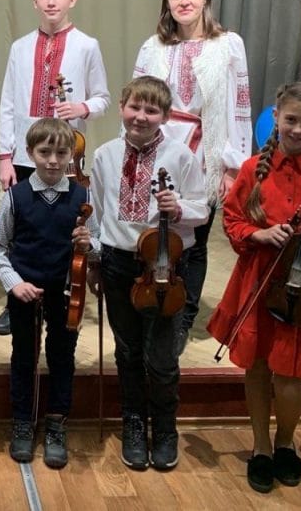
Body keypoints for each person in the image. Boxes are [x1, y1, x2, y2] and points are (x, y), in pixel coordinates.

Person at [206, 81, 301, 494]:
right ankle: (260, 447)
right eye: (290, 119)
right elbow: (232, 221)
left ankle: (286, 442)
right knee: (257, 368)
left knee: (291, 374)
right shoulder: (254, 168)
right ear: (276, 117)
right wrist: (258, 234)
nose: (297, 129)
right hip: (260, 278)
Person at [132, 0, 252, 355]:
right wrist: (130, 154)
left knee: (194, 241)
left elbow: (239, 107)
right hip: (159, 150)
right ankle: (152, 306)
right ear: (167, 1)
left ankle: (183, 316)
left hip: (205, 153)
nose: (184, 1)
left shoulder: (228, 44)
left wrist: (233, 165)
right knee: (154, 236)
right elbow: (136, 103)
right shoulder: (153, 47)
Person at [90, 76, 208, 471]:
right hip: (118, 263)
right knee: (127, 351)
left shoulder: (180, 156)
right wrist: (95, 259)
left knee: (161, 355)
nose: (141, 116)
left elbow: (202, 209)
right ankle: (134, 422)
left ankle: (165, 426)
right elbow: (98, 212)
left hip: (164, 267)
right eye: (134, 107)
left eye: (151, 110)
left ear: (165, 116)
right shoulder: (105, 154)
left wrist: (180, 208)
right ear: (122, 107)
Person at [0, 0, 111, 336]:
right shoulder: (20, 47)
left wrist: (81, 108)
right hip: (26, 155)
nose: (51, 1)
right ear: (34, 1)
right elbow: (7, 103)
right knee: (22, 230)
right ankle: (17, 300)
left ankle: (63, 293)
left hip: (66, 158)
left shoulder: (87, 46)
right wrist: (5, 157)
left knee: (63, 228)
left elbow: (104, 98)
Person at [0, 118, 99, 469]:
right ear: (30, 153)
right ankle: (23, 420)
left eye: (61, 153)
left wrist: (89, 244)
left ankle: (56, 422)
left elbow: (98, 246)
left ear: (71, 155)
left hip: (67, 292)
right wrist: (14, 283)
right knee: (24, 355)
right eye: (45, 152)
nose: (52, 160)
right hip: (26, 291)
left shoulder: (83, 197)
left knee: (63, 357)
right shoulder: (16, 197)